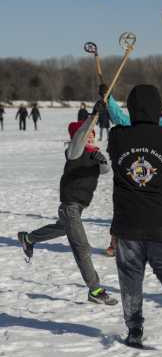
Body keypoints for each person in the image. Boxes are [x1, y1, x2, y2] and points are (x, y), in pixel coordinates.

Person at [107, 84, 162, 347]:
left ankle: (134, 328)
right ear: (159, 109)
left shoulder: (117, 137)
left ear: (132, 109)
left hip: (129, 224)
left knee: (130, 277)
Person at [17, 116, 117, 305]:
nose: (90, 139)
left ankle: (28, 238)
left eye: (92, 136)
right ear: (78, 137)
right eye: (87, 136)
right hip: (70, 206)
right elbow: (80, 136)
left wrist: (101, 160)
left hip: (77, 208)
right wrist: (93, 116)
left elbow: (105, 171)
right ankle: (94, 289)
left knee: (61, 228)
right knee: (82, 247)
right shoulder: (74, 151)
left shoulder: (92, 154)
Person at [100, 83, 162, 257]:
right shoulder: (134, 124)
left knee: (160, 211)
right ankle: (116, 241)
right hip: (133, 173)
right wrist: (109, 97)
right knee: (123, 207)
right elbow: (120, 118)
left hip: (157, 176)